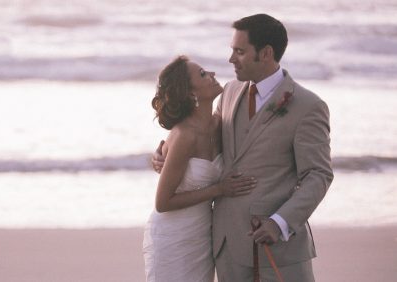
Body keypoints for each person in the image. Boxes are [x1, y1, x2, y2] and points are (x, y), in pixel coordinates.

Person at [152, 14, 334, 281]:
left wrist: (280, 222)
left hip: (278, 249)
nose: (230, 59)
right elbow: (203, 139)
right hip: (225, 247)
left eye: (240, 51)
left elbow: (318, 175)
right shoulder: (228, 93)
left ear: (266, 53)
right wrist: (164, 154)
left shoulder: (308, 107)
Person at [143, 55, 257, 282]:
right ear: (190, 93)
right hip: (173, 236)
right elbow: (163, 202)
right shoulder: (185, 136)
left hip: (204, 234)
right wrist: (220, 189)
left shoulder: (219, 124)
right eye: (203, 74)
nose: (212, 74)